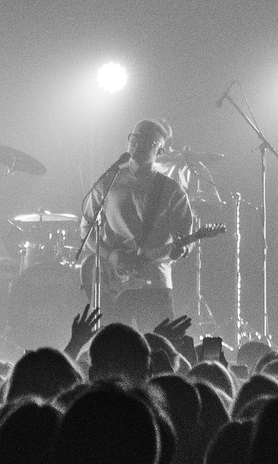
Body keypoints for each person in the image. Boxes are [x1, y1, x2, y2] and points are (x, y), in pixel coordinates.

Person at [80, 119, 198, 330]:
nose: (138, 145)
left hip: (155, 281)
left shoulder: (171, 190)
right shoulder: (108, 182)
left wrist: (183, 248)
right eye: (134, 139)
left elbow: (186, 236)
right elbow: (87, 227)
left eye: (148, 142)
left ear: (160, 149)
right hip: (113, 282)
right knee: (113, 350)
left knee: (160, 348)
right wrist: (110, 255)